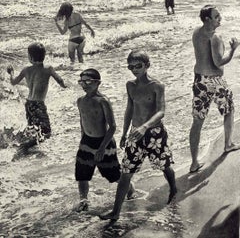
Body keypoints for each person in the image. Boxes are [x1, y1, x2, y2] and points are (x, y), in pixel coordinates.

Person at [99, 50, 177, 222]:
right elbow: (129, 110)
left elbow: (161, 111)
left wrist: (145, 126)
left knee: (164, 166)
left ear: (147, 66)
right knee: (126, 172)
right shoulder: (130, 85)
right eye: (131, 66)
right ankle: (115, 212)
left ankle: (173, 188)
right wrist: (124, 133)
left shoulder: (157, 86)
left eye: (138, 66)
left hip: (155, 134)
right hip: (135, 134)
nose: (134, 69)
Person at [75, 68, 134, 212]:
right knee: (82, 173)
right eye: (81, 82)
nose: (84, 84)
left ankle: (130, 189)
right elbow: (82, 121)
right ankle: (83, 200)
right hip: (87, 142)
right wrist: (82, 140)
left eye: (88, 81)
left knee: (112, 174)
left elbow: (112, 126)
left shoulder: (103, 101)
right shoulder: (80, 101)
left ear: (98, 83)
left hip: (104, 142)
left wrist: (102, 148)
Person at [189, 5, 240, 173]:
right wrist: (233, 50)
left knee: (198, 120)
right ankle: (228, 144)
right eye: (216, 16)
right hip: (214, 81)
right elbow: (218, 62)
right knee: (229, 109)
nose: (220, 18)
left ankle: (194, 162)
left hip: (199, 80)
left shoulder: (197, 32)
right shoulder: (215, 37)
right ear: (207, 19)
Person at [7, 42, 67, 157]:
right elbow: (59, 80)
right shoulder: (48, 68)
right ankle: (25, 147)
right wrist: (64, 86)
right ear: (44, 55)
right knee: (47, 132)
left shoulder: (26, 70)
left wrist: (11, 73)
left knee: (33, 129)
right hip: (39, 104)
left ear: (30, 57)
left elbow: (13, 82)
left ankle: (26, 148)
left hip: (29, 104)